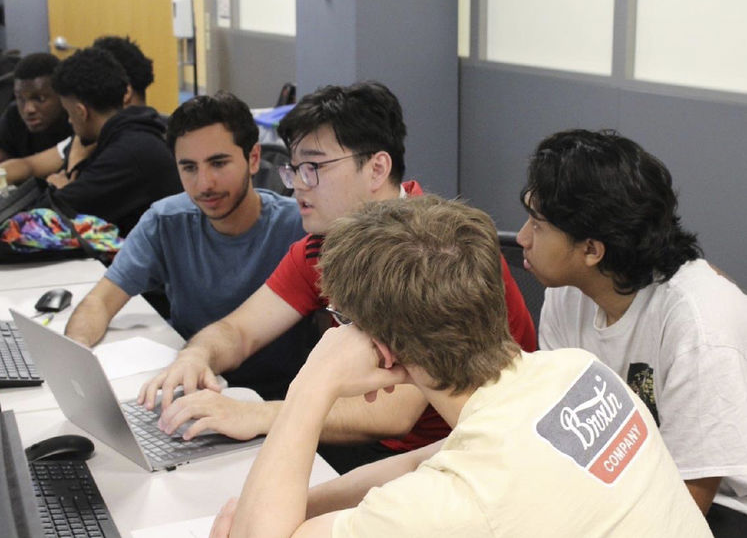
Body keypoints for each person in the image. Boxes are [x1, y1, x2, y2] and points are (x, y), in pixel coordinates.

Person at [209, 195, 712, 538]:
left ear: (382, 349)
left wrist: (311, 385)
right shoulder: (578, 374)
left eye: (344, 323)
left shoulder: (452, 504)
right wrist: (301, 504)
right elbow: (419, 461)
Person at [140, 81, 537, 474]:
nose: (297, 186)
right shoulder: (324, 243)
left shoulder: (433, 249)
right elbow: (240, 330)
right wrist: (197, 355)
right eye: (294, 170)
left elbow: (392, 413)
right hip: (387, 452)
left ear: (377, 168)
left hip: (466, 456)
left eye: (313, 168)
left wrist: (258, 415)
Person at [517, 129, 747, 536]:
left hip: (724, 506)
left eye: (538, 225)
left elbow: (688, 506)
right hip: (627, 488)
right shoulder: (567, 293)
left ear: (591, 250)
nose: (521, 238)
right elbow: (559, 439)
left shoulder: (697, 322)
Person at [64, 92, 308, 399]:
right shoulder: (165, 221)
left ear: (254, 158)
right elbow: (100, 302)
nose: (204, 183)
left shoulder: (299, 226)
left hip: (276, 401)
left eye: (218, 163)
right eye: (189, 167)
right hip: (189, 388)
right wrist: (76, 359)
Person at [37, 47, 181, 235]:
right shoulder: (134, 131)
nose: (70, 121)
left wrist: (59, 185)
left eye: (68, 112)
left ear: (81, 111)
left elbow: (44, 220)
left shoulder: (129, 151)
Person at [1, 36, 156, 188]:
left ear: (125, 92)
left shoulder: (129, 145)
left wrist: (64, 185)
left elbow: (73, 199)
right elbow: (30, 166)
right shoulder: (103, 133)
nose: (29, 109)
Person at [0, 52, 71, 164]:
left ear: (60, 94)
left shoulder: (76, 120)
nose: (28, 109)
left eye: (40, 99)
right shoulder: (13, 116)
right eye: (20, 98)